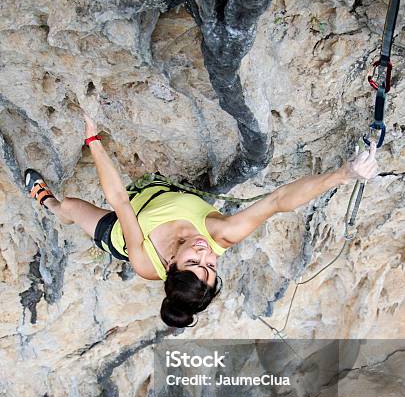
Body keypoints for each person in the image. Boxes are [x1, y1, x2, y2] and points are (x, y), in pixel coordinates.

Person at [25, 114, 378, 327]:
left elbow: (118, 200)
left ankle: (48, 203)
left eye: (194, 262)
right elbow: (277, 201)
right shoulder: (221, 235)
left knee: (71, 206)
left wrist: (93, 140)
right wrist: (344, 175)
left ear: (170, 265)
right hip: (161, 193)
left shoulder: (147, 262)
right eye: (210, 264)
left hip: (123, 225)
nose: (203, 252)